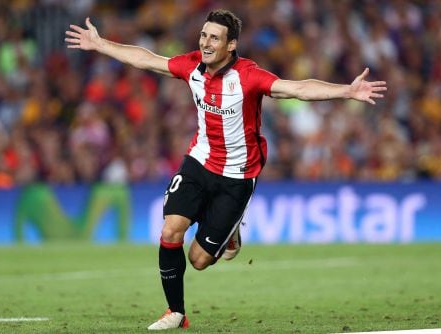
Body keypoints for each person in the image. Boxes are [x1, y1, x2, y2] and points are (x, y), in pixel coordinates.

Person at [65, 9, 386, 330]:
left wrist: (346, 90)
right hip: (199, 161)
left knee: (199, 260)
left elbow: (297, 89)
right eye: (204, 35)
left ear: (230, 45)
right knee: (169, 231)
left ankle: (230, 232)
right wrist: (101, 44)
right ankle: (176, 312)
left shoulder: (249, 77)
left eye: (214, 38)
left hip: (237, 174)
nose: (205, 43)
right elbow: (146, 59)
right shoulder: (191, 66)